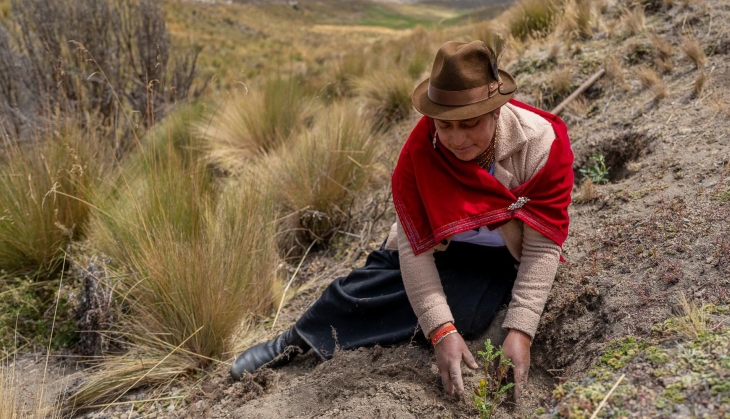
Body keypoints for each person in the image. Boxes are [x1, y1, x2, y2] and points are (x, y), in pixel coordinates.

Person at [230, 40, 574, 401]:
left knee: (467, 313)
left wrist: (520, 331)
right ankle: (296, 339)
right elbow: (414, 247)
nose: (456, 139)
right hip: (439, 243)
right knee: (365, 288)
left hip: (499, 254)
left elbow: (541, 246)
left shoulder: (540, 146)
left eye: (470, 124)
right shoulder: (420, 152)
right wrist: (440, 331)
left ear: (496, 111)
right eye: (445, 125)